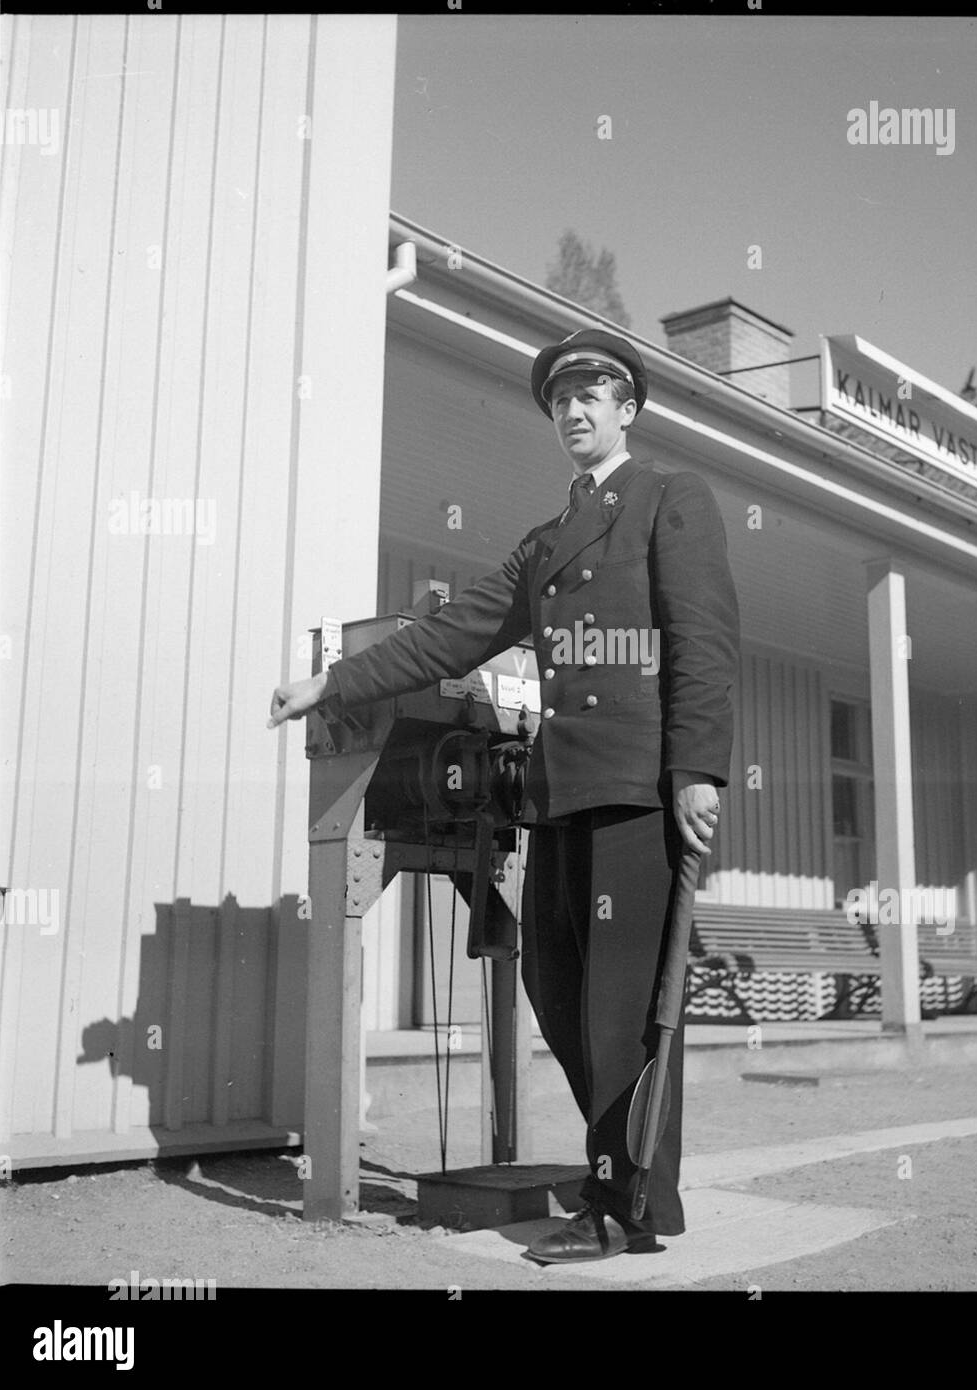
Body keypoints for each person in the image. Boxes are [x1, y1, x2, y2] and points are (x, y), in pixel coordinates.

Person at [270, 327, 740, 1263]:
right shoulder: (548, 541)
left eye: (594, 394)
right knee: (553, 982)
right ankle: (629, 1181)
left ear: (627, 408)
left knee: (622, 1004)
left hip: (640, 786)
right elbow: (453, 636)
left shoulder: (668, 498)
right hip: (563, 791)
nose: (574, 409)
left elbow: (703, 636)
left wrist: (696, 766)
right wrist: (335, 683)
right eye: (561, 399)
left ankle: (624, 1204)